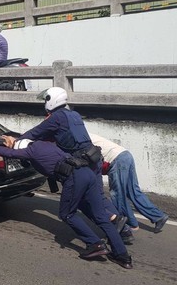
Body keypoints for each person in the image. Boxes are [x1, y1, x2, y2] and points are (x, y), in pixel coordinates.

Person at [0, 136, 132, 269]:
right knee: (101, 216)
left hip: (75, 179)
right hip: (88, 174)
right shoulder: (44, 144)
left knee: (67, 214)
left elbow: (12, 153)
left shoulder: (30, 151)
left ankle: (95, 244)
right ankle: (123, 257)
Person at [18, 87, 133, 242]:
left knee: (83, 199)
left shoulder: (55, 118)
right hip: (94, 158)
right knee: (98, 196)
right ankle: (123, 231)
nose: (44, 103)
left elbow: (34, 134)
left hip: (81, 164)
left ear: (52, 100)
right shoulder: (74, 114)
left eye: (46, 99)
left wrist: (15, 141)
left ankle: (111, 223)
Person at [90, 133, 169, 233]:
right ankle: (159, 217)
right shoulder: (84, 134)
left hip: (116, 160)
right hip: (125, 155)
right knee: (133, 191)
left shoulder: (80, 139)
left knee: (118, 195)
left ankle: (130, 224)